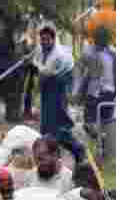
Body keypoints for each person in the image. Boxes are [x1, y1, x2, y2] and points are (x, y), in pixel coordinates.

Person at [31, 23, 84, 164]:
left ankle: (78, 150)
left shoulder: (57, 55)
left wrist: (33, 66)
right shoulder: (40, 49)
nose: (43, 42)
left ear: (53, 40)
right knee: (46, 125)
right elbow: (37, 63)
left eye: (47, 39)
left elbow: (45, 73)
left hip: (60, 83)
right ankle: (50, 157)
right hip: (48, 85)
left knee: (58, 124)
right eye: (42, 39)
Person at [82, 26, 116, 126]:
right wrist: (81, 91)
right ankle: (93, 136)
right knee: (89, 123)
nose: (100, 43)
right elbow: (85, 73)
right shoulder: (89, 51)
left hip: (108, 93)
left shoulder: (113, 53)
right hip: (92, 94)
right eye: (98, 40)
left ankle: (103, 138)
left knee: (106, 124)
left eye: (103, 40)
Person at [85, 0, 116, 64]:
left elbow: (89, 35)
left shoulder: (94, 17)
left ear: (101, 3)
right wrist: (114, 43)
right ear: (113, 3)